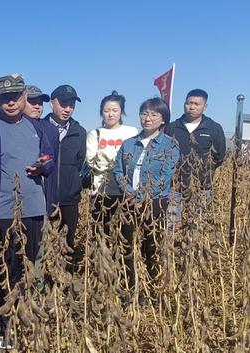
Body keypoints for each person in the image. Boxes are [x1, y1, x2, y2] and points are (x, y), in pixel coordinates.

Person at [0, 74, 54, 348]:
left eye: (15, 96)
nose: (10, 102)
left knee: (28, 269)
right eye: (3, 98)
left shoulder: (37, 127)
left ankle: (24, 320)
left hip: (33, 209)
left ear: (23, 98)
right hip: (4, 213)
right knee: (2, 270)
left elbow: (49, 158)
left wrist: (43, 165)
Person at [112, 98, 179, 300]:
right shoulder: (129, 143)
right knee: (129, 246)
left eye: (153, 114)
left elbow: (165, 176)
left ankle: (150, 289)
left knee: (152, 246)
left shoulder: (170, 144)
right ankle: (131, 287)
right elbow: (118, 170)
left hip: (156, 203)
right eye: (144, 113)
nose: (147, 118)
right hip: (129, 202)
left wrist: (143, 197)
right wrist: (130, 193)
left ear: (163, 119)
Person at [41, 85, 87, 270]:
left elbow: (80, 162)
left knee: (68, 240)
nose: (68, 109)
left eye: (71, 105)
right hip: (45, 197)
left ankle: (65, 278)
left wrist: (74, 183)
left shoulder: (79, 131)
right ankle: (44, 278)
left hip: (69, 198)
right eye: (63, 104)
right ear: (52, 103)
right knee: (43, 240)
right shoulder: (40, 127)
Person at [85, 91, 139, 228]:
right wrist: (117, 159)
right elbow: (91, 161)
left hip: (125, 189)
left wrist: (105, 157)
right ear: (101, 112)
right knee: (101, 229)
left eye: (115, 110)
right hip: (100, 189)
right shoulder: (95, 134)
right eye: (106, 110)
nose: (110, 114)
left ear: (121, 112)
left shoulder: (131, 132)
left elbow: (134, 159)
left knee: (125, 229)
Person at [166, 89, 226, 208]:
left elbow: (219, 155)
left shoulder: (213, 128)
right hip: (175, 186)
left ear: (205, 106)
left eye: (196, 104)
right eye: (189, 103)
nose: (192, 107)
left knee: (198, 223)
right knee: (172, 222)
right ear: (184, 104)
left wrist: (205, 170)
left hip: (202, 187)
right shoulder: (172, 127)